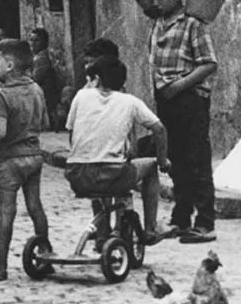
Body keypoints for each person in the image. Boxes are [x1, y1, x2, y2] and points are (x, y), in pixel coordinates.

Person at [128, 0, 219, 244]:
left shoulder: (193, 23)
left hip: (190, 98)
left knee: (197, 159)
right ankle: (181, 218)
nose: (155, 2)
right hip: (166, 97)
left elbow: (209, 64)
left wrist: (178, 85)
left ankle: (205, 222)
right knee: (175, 159)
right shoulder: (158, 18)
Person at [65, 56, 170, 244]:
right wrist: (163, 161)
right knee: (150, 166)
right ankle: (150, 229)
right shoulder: (130, 101)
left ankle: (102, 233)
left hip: (77, 174)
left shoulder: (81, 96)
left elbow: (72, 135)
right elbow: (160, 129)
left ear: (96, 79)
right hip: (112, 174)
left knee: (101, 176)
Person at [0, 38, 51, 282]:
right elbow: (45, 123)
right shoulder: (36, 89)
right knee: (35, 207)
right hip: (33, 156)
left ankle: (1, 266)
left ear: (9, 65)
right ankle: (45, 253)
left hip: (9, 160)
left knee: (7, 212)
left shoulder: (0, 95)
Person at [27, 27, 62, 131]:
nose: (33, 43)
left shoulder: (42, 58)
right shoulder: (36, 57)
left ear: (44, 42)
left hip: (46, 94)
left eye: (36, 40)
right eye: (31, 40)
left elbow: (34, 79)